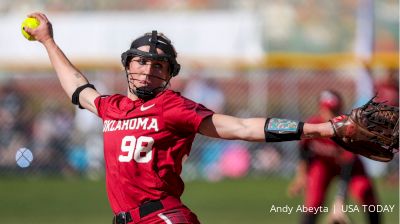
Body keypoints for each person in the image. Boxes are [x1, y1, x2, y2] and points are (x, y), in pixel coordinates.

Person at [25, 12, 345, 224]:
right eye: (141, 62)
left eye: (158, 66)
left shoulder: (171, 107)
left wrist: (321, 129)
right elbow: (79, 89)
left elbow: (241, 127)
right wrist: (48, 41)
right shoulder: (113, 107)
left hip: (163, 217)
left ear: (168, 74)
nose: (148, 70)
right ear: (128, 65)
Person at [287, 90, 380, 224]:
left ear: (340, 108)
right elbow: (304, 149)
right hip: (323, 165)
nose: (330, 114)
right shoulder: (313, 124)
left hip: (351, 167)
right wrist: (301, 176)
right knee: (313, 201)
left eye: (334, 110)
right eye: (327, 109)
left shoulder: (349, 128)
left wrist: (339, 201)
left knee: (366, 194)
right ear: (320, 109)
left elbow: (347, 164)